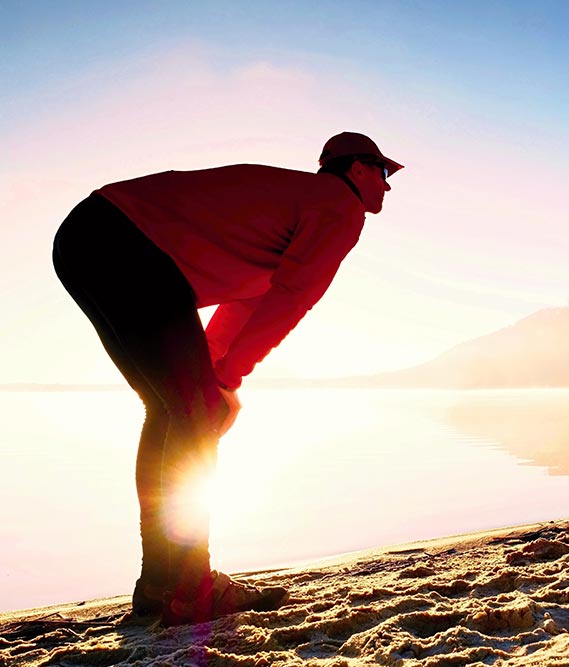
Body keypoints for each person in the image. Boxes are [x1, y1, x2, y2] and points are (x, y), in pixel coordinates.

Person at [51, 132, 403, 626]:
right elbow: (292, 297)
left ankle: (158, 586)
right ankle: (192, 589)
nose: (388, 187)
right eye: (383, 173)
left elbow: (249, 301)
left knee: (173, 409)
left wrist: (221, 378)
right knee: (192, 411)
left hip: (84, 237)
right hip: (132, 245)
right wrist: (226, 382)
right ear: (358, 170)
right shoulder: (338, 206)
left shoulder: (291, 206)